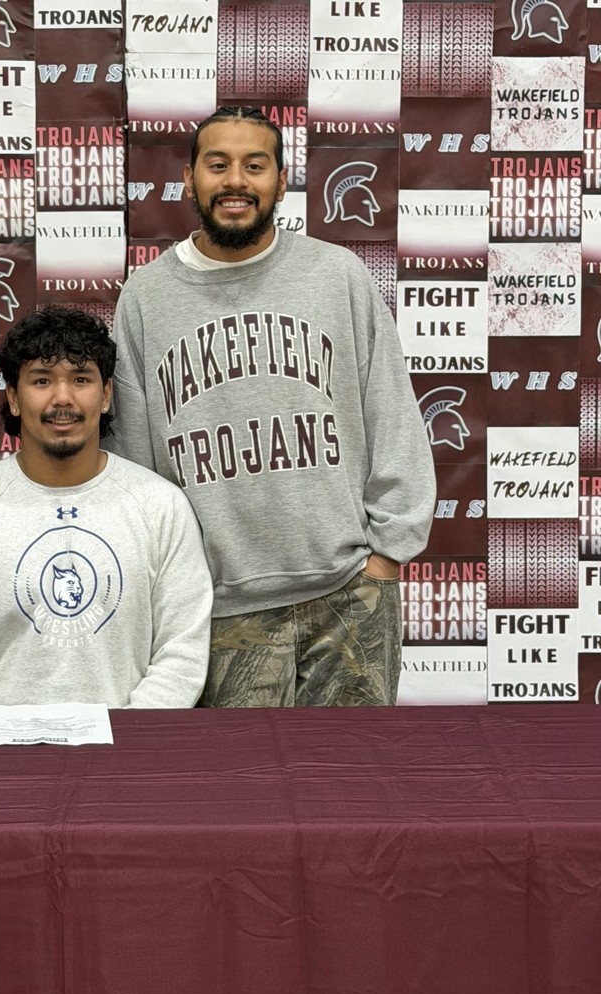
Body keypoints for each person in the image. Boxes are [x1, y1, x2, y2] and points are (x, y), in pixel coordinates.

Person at [109, 106, 436, 708]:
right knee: (239, 793)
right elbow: (130, 453)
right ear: (189, 178)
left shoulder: (337, 276)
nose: (236, 180)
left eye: (254, 165)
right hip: (218, 606)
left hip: (349, 596)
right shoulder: (146, 297)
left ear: (281, 181)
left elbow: (392, 415)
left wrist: (388, 556)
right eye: (218, 164)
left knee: (351, 782)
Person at [0, 306, 211, 710]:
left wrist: (129, 737)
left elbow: (182, 652)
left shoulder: (162, 507)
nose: (62, 398)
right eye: (41, 380)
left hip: (127, 753)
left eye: (81, 379)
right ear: (14, 398)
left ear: (105, 395)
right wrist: (3, 737)